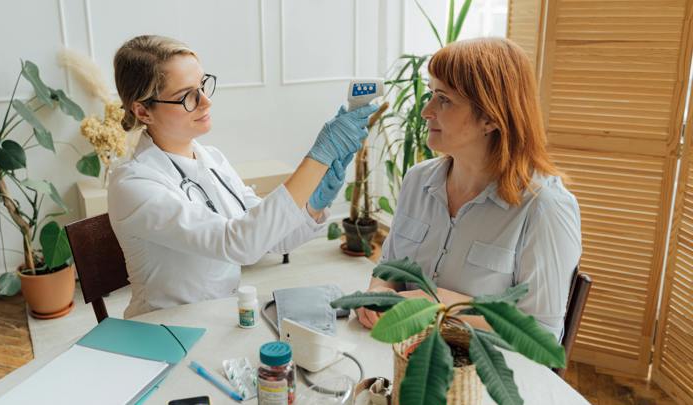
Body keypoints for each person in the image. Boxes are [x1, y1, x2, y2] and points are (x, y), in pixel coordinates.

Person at [107, 35, 377, 318]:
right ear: (142, 110)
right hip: (165, 328)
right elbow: (239, 244)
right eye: (187, 96)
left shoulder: (212, 159)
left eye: (202, 85)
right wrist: (318, 158)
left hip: (220, 316)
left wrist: (315, 202)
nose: (206, 102)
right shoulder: (133, 184)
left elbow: (271, 239)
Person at [356, 38, 581, 341]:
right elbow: (389, 270)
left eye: (444, 99)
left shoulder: (545, 208)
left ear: (490, 118)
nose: (426, 111)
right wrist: (378, 294)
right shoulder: (416, 181)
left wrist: (436, 303)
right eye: (431, 95)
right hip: (404, 353)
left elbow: (541, 333)